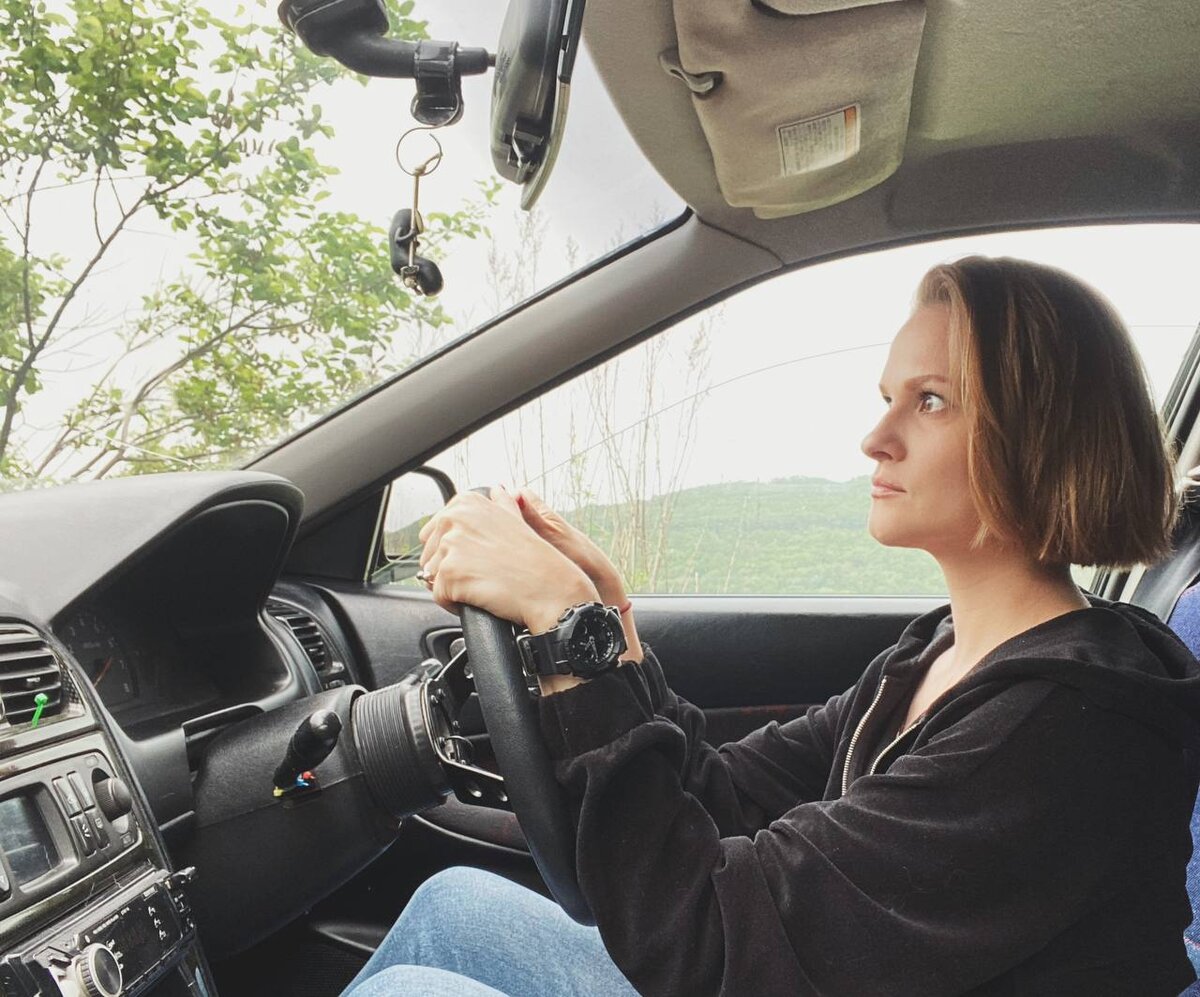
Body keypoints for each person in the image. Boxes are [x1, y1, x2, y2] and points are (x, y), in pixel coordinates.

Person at [342, 256, 1200, 996]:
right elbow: (727, 799)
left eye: (931, 401)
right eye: (888, 397)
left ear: (1043, 436)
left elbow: (713, 945)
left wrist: (569, 636)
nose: (876, 437)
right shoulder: (938, 653)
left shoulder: (1068, 729)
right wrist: (612, 631)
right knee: (453, 903)